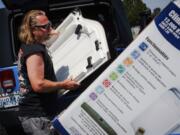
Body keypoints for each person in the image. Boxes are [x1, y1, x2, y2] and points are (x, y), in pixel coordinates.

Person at [17, 10, 80, 135]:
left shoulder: (30, 44)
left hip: (36, 114)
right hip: (38, 116)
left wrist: (49, 30)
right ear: (33, 29)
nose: (50, 28)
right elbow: (38, 84)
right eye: (45, 26)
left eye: (50, 24)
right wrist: (63, 85)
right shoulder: (34, 51)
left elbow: (50, 32)